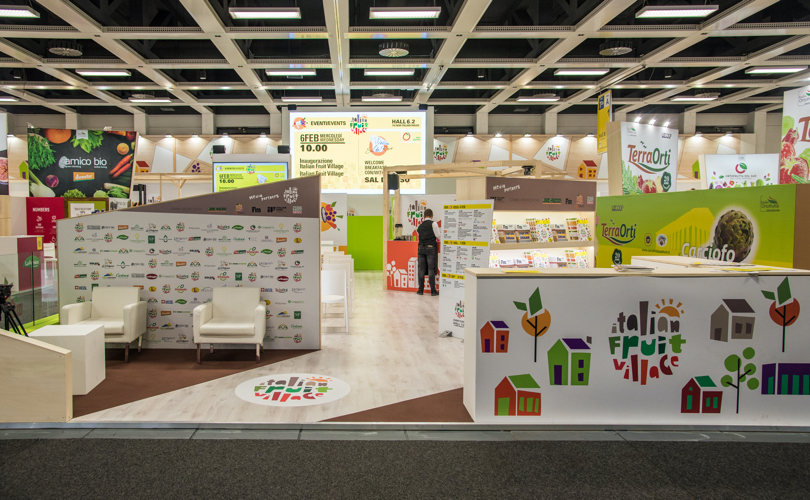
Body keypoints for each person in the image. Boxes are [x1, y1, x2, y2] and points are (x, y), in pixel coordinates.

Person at [416, 208, 440, 296]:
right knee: (431, 269)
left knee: (421, 269)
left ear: (424, 216)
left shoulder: (420, 226)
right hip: (431, 248)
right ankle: (433, 291)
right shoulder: (434, 224)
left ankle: (420, 290)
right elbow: (438, 235)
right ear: (432, 216)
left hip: (421, 248)